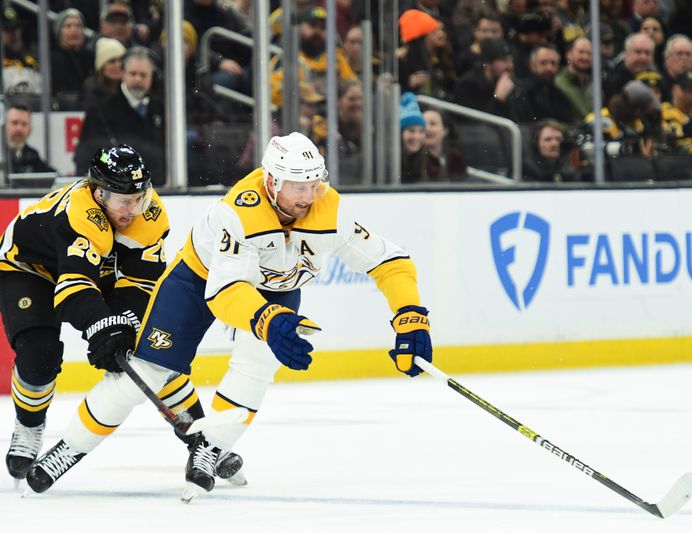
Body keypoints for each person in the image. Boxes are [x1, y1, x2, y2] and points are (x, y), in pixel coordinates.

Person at [26, 132, 433, 499]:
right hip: (198, 280)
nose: (308, 196)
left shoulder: (332, 211)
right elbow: (224, 293)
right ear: (272, 181)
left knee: (256, 366)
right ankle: (70, 447)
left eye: (314, 183)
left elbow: (390, 261)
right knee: (148, 369)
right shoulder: (238, 213)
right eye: (297, 186)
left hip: (276, 288)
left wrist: (410, 316)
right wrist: (270, 321)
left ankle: (210, 447)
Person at [1, 145, 240, 486]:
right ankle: (29, 424)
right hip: (29, 268)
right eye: (122, 201)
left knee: (150, 350)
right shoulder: (79, 214)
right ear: (98, 194)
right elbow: (73, 288)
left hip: (98, 269)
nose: (132, 209)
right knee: (40, 354)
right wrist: (102, 327)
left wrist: (124, 326)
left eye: (139, 198)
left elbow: (142, 283)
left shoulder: (151, 214)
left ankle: (197, 437)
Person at [74, 47, 166, 184]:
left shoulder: (162, 108)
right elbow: (85, 156)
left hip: (159, 188)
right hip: (116, 191)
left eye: (143, 75)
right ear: (123, 73)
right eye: (133, 74)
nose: (138, 79)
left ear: (152, 76)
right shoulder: (100, 110)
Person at [5, 103, 56, 174]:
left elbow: (50, 175)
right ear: (4, 126)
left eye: (24, 124)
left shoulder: (32, 156)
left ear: (30, 130)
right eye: (14, 123)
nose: (19, 129)